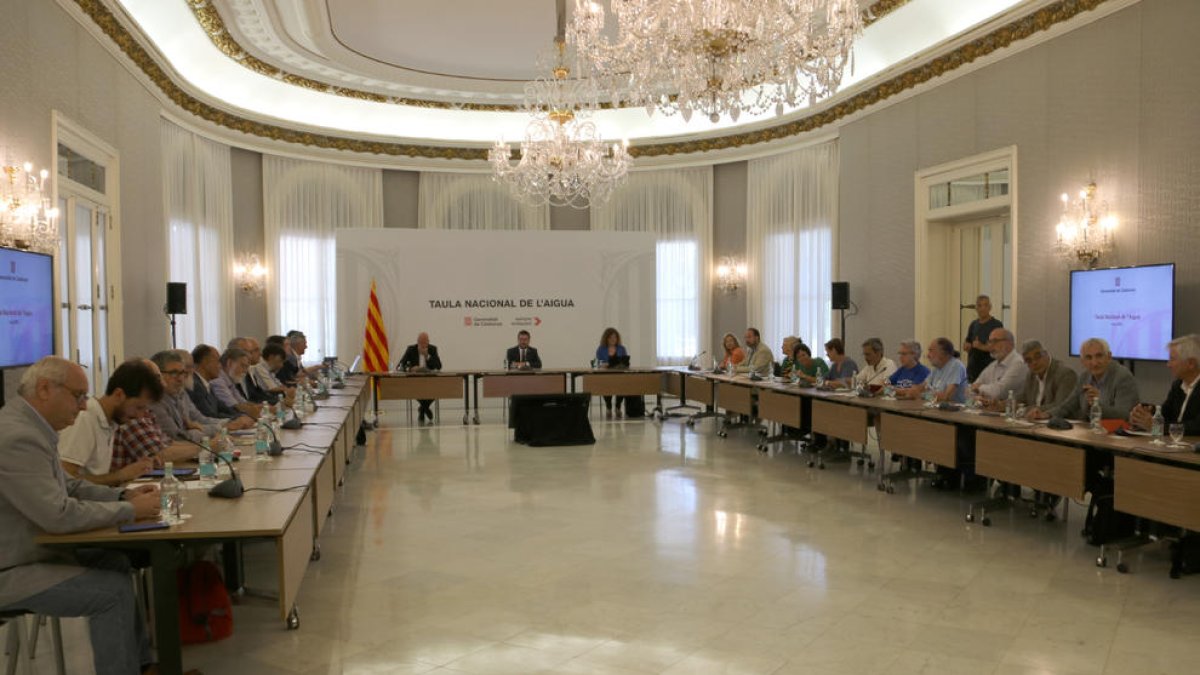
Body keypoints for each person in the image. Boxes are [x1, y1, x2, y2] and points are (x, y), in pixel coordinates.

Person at [0, 356, 163, 675]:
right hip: (12, 566)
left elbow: (69, 485)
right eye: (78, 396)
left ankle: (143, 666)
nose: (85, 405)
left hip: (32, 552)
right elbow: (57, 515)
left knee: (116, 563)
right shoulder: (16, 437)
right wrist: (130, 511)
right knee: (111, 594)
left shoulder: (31, 426)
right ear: (45, 389)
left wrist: (122, 494)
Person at [58, 359, 163, 486]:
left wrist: (137, 468)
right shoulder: (85, 418)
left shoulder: (111, 422)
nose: (140, 416)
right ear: (119, 395)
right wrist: (121, 475)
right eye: (138, 407)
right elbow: (66, 481)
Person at [150, 350, 251, 444]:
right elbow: (177, 437)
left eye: (182, 373)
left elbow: (199, 419)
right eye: (174, 373)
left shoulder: (181, 393)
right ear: (158, 375)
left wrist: (228, 423)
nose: (180, 378)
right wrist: (221, 428)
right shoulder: (156, 401)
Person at [1030, 337, 1139, 422]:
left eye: (1099, 356)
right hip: (1090, 435)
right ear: (1082, 361)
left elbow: (1125, 415)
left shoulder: (1123, 377)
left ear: (1109, 357)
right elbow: (1068, 405)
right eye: (1089, 357)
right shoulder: (1084, 377)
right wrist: (1047, 414)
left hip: (1116, 439)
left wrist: (1098, 404)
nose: (1094, 363)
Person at [1130, 334, 1200, 435]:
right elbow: (1166, 414)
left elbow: (1196, 427)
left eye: (1172, 359)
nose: (1168, 365)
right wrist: (1147, 413)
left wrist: (1157, 426)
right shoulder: (1178, 385)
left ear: (1191, 364)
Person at [1008, 340, 1078, 413]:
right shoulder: (1031, 375)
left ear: (1046, 354)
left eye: (1038, 357)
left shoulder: (1065, 374)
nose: (1034, 362)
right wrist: (1005, 404)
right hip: (1035, 422)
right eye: (1029, 360)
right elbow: (1023, 397)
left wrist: (1027, 410)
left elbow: (1061, 405)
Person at [187, 345, 249, 421]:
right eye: (217, 361)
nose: (220, 366)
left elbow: (222, 407)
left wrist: (242, 416)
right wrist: (236, 419)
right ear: (205, 362)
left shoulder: (206, 383)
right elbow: (209, 415)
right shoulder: (196, 385)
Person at [970, 328, 1028, 403]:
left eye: (995, 341)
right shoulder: (993, 365)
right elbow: (971, 389)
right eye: (989, 342)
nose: (990, 345)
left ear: (1009, 343)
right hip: (992, 410)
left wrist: (980, 387)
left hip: (1011, 412)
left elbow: (999, 392)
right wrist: (978, 397)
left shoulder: (1019, 363)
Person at [398, 332, 444, 422]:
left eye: (425, 342)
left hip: (430, 380)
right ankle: (425, 409)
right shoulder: (411, 349)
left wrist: (428, 356)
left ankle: (422, 408)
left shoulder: (432, 349)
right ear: (417, 342)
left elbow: (438, 366)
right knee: (415, 389)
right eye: (421, 342)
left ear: (428, 342)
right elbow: (400, 366)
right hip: (415, 380)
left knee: (437, 388)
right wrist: (411, 369)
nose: (423, 345)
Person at [210, 347, 263, 419]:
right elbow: (234, 406)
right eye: (243, 366)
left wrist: (262, 407)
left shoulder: (230, 380)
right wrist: (258, 409)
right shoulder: (218, 380)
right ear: (229, 363)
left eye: (247, 367)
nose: (245, 371)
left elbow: (242, 402)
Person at [911, 337, 968, 403]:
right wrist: (912, 390)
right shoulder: (936, 367)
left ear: (943, 352)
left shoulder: (956, 366)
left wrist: (921, 395)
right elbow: (922, 387)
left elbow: (946, 396)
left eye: (931, 350)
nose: (928, 355)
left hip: (954, 410)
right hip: (936, 408)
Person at [963, 294, 1003, 382]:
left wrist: (981, 346)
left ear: (990, 307)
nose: (982, 308)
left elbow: (998, 347)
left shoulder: (996, 325)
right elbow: (968, 342)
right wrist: (967, 346)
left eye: (985, 305)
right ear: (976, 308)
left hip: (989, 370)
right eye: (979, 305)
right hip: (973, 370)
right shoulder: (973, 324)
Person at [593, 327, 629, 417]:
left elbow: (625, 362)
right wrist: (603, 364)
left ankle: (618, 407)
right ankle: (608, 407)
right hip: (606, 375)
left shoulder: (621, 348)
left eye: (615, 337)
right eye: (611, 338)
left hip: (619, 374)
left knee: (624, 384)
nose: (613, 339)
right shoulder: (601, 349)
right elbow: (595, 363)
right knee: (606, 384)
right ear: (606, 338)